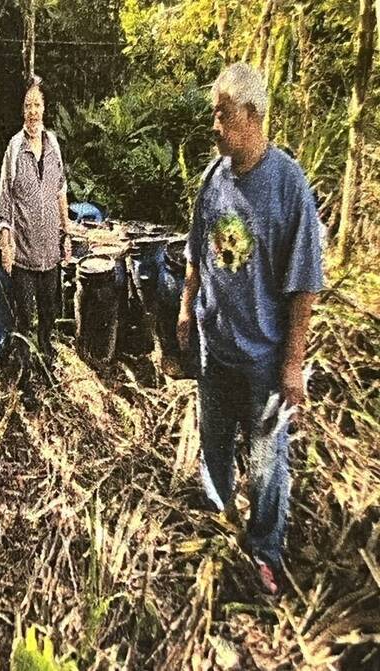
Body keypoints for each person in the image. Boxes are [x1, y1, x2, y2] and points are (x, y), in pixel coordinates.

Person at [178, 62, 324, 595]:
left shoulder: (289, 186)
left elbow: (305, 281)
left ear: (251, 114)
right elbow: (197, 250)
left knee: (267, 467)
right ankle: (219, 522)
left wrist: (292, 364)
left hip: (263, 359)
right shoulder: (213, 179)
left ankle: (264, 551)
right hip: (215, 350)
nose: (214, 125)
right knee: (214, 447)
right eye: (213, 114)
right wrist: (187, 306)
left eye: (221, 114)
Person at [0, 75, 71, 409]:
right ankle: (26, 383)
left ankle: (48, 369)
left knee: (49, 316)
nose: (32, 111)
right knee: (25, 318)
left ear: (45, 108)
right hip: (24, 254)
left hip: (51, 253)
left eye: (37, 104)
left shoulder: (53, 145)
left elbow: (60, 191)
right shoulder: (13, 149)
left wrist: (67, 234)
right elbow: (4, 204)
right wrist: (5, 244)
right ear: (21, 110)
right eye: (27, 105)